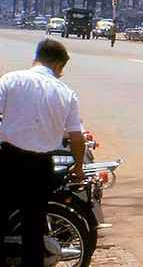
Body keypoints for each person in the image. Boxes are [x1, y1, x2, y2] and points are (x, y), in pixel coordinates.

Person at [0, 39, 85, 267]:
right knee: (33, 228)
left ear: (36, 58)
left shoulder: (11, 80)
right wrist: (78, 167)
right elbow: (77, 137)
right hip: (41, 166)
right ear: (57, 65)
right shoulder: (66, 93)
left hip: (9, 161)